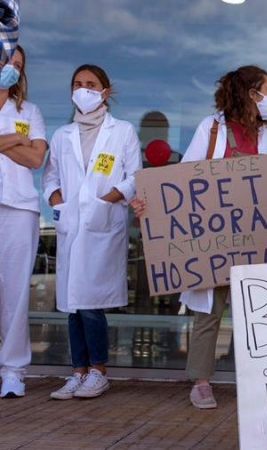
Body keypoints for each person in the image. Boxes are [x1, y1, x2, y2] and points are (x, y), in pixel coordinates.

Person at [131, 65, 267, 409]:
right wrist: (151, 202)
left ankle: (259, 382)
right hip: (215, 240)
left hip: (256, 238)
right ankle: (201, 382)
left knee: (257, 313)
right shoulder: (211, 129)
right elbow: (184, 177)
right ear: (250, 93)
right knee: (209, 313)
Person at [43, 64, 142, 400]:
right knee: (72, 303)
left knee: (90, 304)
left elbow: (133, 177)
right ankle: (78, 372)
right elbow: (50, 179)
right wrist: (59, 205)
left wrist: (105, 200)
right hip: (72, 226)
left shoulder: (123, 131)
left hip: (103, 225)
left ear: (105, 92)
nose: (83, 89)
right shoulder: (62, 135)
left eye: (91, 84)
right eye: (77, 84)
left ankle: (98, 371)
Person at [0, 45, 46, 398]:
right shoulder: (22, 124)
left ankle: (13, 370)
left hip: (20, 209)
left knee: (15, 293)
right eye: (6, 62)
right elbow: (26, 148)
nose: (11, 69)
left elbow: (35, 159)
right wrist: (17, 138)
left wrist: (9, 141)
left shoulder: (30, 110)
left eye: (18, 65)